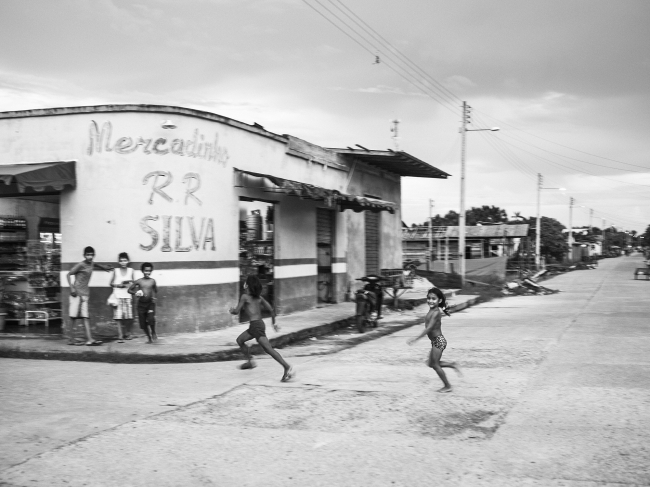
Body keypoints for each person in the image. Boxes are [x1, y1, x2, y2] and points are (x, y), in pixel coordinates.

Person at [229, 275, 295, 382]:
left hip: (256, 327)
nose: (244, 284)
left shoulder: (244, 297)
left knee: (268, 349)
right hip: (257, 325)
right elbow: (272, 310)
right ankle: (250, 361)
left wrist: (232, 310)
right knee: (240, 340)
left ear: (247, 286)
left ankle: (287, 367)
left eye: (246, 283)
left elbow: (237, 311)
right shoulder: (260, 298)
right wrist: (274, 324)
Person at [407, 287, 461, 393]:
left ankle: (447, 386)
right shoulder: (432, 310)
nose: (430, 301)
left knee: (435, 365)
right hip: (435, 341)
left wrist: (416, 338)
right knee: (430, 363)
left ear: (439, 300)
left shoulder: (436, 312)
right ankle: (452, 364)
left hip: (439, 341)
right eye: (429, 298)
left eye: (433, 299)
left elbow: (429, 328)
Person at [66, 246, 113, 346]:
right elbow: (68, 274)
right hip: (76, 294)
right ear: (84, 255)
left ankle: (90, 339)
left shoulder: (91, 263)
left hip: (85, 294)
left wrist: (103, 267)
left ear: (93, 255)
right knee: (73, 317)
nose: (90, 257)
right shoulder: (80, 265)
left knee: (85, 317)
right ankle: (71, 339)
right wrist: (72, 288)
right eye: (88, 255)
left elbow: (94, 264)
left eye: (91, 255)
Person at [128, 263, 158, 343]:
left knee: (151, 319)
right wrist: (136, 293)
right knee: (143, 323)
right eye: (146, 271)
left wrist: (154, 297)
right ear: (142, 271)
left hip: (150, 304)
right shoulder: (139, 281)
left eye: (149, 271)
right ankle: (149, 338)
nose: (147, 272)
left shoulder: (153, 281)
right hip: (141, 305)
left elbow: (155, 290)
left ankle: (153, 332)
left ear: (151, 271)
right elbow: (129, 290)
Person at [110, 252, 135, 342]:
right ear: (119, 262)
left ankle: (128, 333)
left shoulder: (131, 270)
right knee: (118, 317)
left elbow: (134, 283)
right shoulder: (116, 271)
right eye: (121, 261)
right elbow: (111, 283)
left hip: (128, 296)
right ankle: (120, 334)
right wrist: (118, 285)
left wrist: (129, 284)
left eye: (125, 260)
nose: (123, 262)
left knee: (128, 317)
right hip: (118, 296)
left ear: (128, 261)